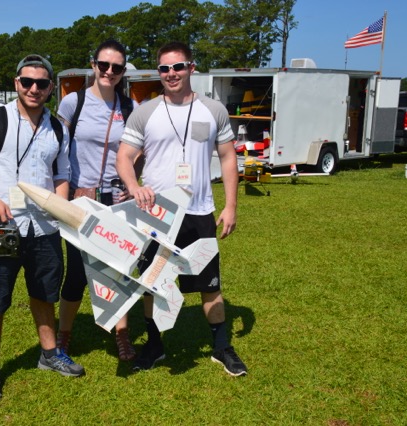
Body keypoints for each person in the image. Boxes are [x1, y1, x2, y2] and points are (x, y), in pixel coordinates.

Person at [116, 42, 248, 377]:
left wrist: (230, 205)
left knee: (210, 284)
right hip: (156, 215)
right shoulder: (145, 112)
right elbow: (124, 157)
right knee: (153, 282)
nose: (171, 74)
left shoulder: (213, 110)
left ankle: (221, 347)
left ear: (191, 67)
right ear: (158, 72)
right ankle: (155, 345)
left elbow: (229, 157)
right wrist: (134, 187)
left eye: (178, 67)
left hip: (200, 212)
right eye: (164, 69)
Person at [0, 54, 84, 403]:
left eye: (42, 84)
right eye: (27, 82)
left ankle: (49, 353)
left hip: (43, 228)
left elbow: (62, 174)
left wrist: (59, 205)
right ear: (16, 83)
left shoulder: (58, 128)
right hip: (2, 226)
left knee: (45, 293)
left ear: (50, 89)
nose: (34, 89)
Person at [56, 40, 138, 362]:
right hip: (80, 198)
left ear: (122, 71)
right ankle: (64, 335)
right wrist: (70, 189)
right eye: (104, 65)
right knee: (76, 271)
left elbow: (134, 153)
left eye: (116, 67)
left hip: (116, 199)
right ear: (93, 65)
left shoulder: (129, 108)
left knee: (118, 268)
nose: (109, 72)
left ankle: (121, 335)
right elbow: (57, 151)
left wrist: (133, 185)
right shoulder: (71, 104)